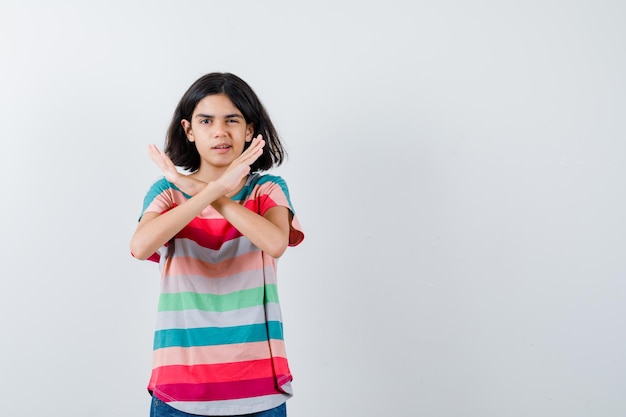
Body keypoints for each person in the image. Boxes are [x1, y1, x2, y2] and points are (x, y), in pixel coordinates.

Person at [130, 72, 304, 417]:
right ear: (189, 130)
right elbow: (139, 247)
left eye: (232, 120)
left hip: (258, 389)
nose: (220, 131)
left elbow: (274, 243)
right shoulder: (167, 192)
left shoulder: (267, 189)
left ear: (250, 130)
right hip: (180, 388)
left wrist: (209, 191)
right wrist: (205, 189)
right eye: (206, 120)